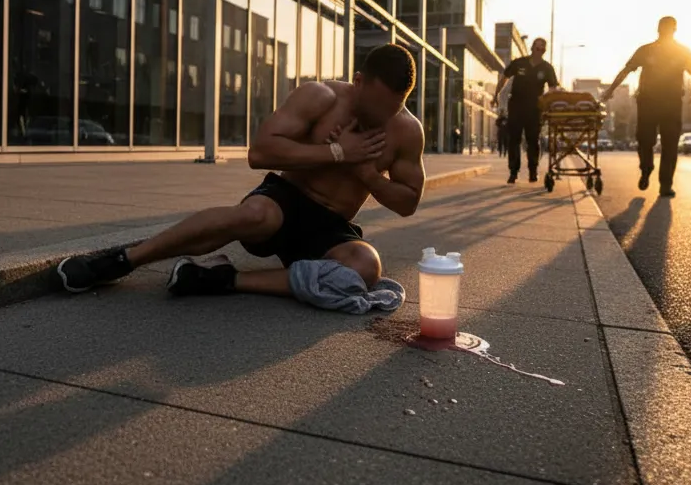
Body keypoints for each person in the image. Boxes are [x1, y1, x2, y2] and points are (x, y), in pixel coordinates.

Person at [56, 44, 426, 297]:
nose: (378, 118)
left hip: (330, 226)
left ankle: (222, 278)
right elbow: (260, 152)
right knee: (255, 214)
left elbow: (408, 203)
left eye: (389, 111)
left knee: (366, 266)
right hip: (286, 200)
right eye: (372, 107)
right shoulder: (321, 97)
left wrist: (366, 174)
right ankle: (123, 261)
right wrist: (335, 152)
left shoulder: (407, 132)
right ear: (358, 81)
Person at [601, 16, 691, 197]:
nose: (666, 31)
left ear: (673, 30)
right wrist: (610, 90)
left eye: (668, 28)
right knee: (646, 140)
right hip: (649, 102)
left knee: (669, 143)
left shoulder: (682, 51)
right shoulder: (647, 50)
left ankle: (665, 184)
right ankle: (647, 169)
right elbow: (626, 70)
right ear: (659, 30)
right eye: (664, 28)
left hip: (670, 103)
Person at [492, 37, 560, 183]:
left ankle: (533, 171)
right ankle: (513, 172)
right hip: (516, 106)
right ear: (532, 48)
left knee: (533, 140)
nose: (539, 50)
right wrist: (496, 94)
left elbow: (553, 88)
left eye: (542, 48)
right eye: (537, 47)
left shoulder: (547, 68)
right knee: (514, 140)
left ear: (544, 51)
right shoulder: (519, 63)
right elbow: (504, 78)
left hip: (535, 108)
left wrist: (547, 102)